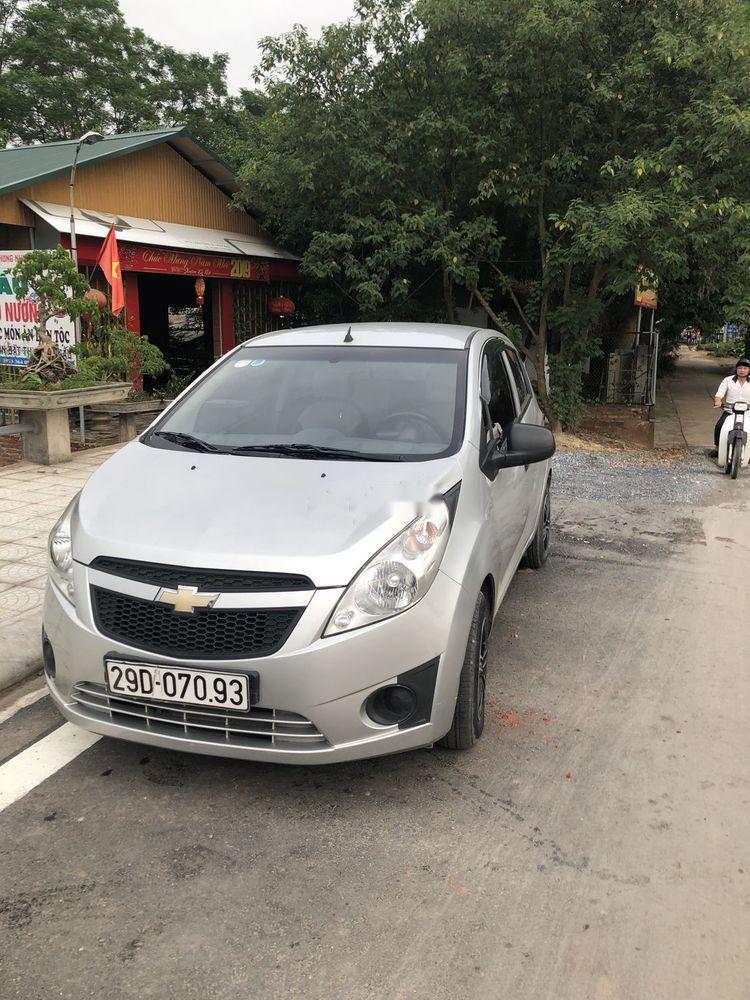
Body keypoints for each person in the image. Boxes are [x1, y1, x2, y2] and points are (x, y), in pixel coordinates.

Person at [713, 357, 750, 449]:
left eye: (745, 368)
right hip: (730, 411)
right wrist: (718, 401)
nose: (742, 370)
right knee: (719, 426)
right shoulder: (728, 380)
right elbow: (720, 393)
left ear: (749, 370)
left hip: (748, 412)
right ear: (736, 369)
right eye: (740, 368)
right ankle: (717, 448)